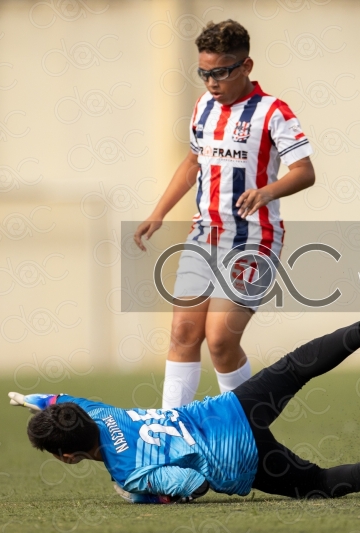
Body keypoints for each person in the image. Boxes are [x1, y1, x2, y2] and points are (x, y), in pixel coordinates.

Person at [10, 280, 360, 502]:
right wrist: (33, 400)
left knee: (315, 484)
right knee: (295, 367)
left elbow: (194, 484)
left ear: (68, 457)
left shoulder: (126, 472)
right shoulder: (100, 412)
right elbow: (61, 400)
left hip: (240, 459)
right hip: (230, 409)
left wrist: (149, 496)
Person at [133, 20, 317, 408]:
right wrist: (159, 212)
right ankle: (171, 429)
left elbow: (305, 172)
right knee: (183, 331)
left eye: (221, 72)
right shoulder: (204, 107)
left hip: (254, 238)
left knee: (219, 339)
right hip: (206, 236)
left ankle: (245, 430)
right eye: (204, 73)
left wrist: (266, 192)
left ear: (246, 66)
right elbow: (192, 161)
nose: (211, 82)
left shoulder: (274, 113)